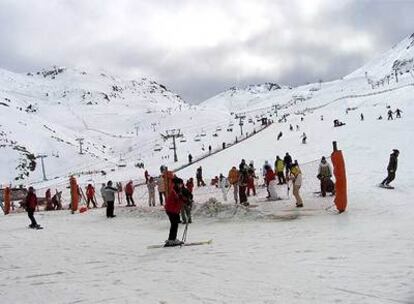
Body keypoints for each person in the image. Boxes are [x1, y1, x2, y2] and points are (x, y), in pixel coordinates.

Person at [164, 177, 184, 246]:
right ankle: (171, 240)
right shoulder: (174, 191)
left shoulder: (176, 190)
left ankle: (172, 239)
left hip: (173, 210)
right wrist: (181, 199)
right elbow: (176, 201)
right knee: (174, 225)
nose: (181, 185)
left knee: (174, 225)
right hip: (171, 210)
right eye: (180, 184)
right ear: (177, 184)